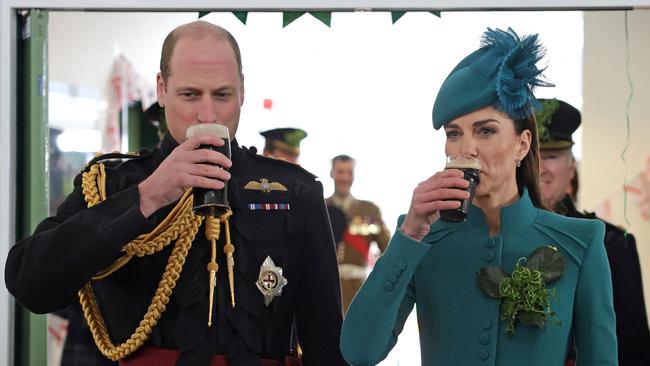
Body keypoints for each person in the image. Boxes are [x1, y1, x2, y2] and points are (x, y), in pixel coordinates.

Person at [5, 21, 346, 366]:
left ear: (242, 90)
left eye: (222, 95)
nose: (208, 114)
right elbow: (30, 284)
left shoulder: (295, 192)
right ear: (162, 89)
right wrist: (147, 196)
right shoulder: (110, 184)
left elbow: (327, 344)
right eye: (190, 95)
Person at [340, 28, 617, 366]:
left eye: (485, 131)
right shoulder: (422, 238)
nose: (466, 148)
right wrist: (408, 234)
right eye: (454, 134)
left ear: (522, 144)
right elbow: (359, 351)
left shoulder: (581, 241)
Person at [536, 98, 650, 366]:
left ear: (571, 166)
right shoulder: (498, 238)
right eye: (533, 157)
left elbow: (635, 350)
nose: (540, 168)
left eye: (551, 156)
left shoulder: (611, 244)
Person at [326, 155, 390, 313]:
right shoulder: (320, 207)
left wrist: (380, 284)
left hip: (357, 292)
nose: (345, 177)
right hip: (325, 287)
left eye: (349, 172)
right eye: (340, 172)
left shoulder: (369, 210)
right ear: (332, 173)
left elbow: (387, 249)